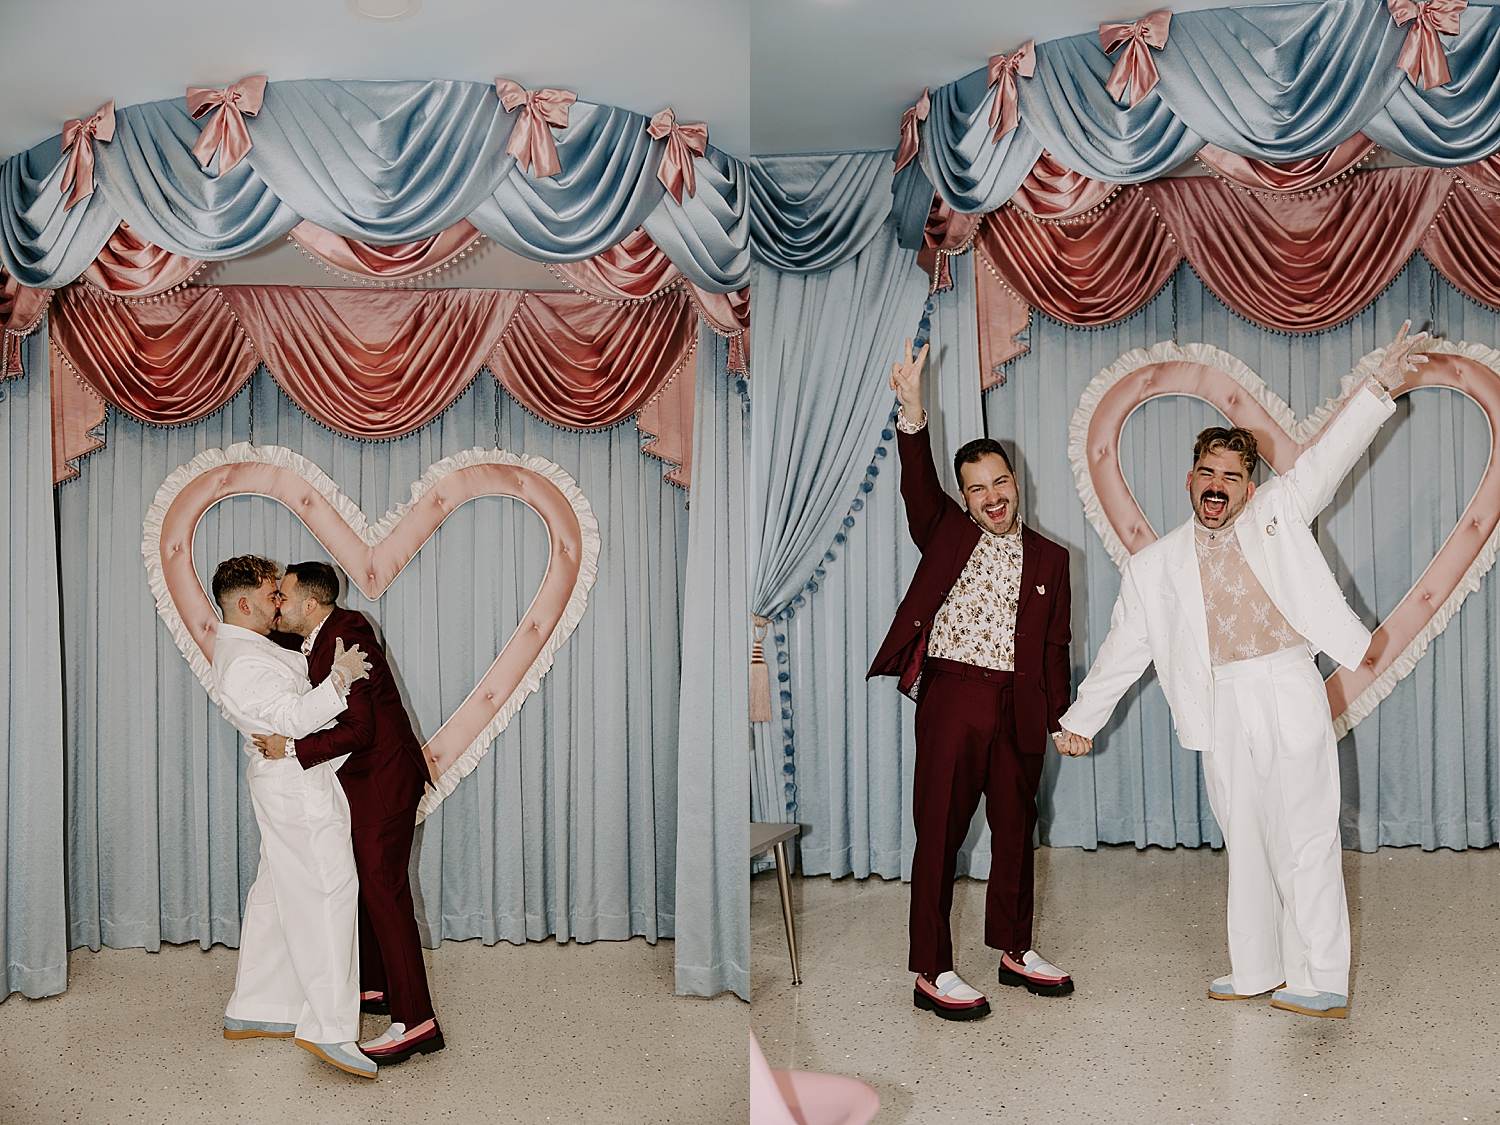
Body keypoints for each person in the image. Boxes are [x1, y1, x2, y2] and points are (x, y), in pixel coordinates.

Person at [1056, 323, 1430, 1020]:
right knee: (1245, 834)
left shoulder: (1280, 514)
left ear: (1250, 487)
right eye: (1208, 473)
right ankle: (1257, 966)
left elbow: (1327, 461)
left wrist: (1377, 386)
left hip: (1288, 686)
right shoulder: (1154, 566)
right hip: (1220, 701)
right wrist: (1081, 720)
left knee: (1307, 831)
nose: (1219, 484)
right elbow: (1123, 650)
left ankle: (1322, 974)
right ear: (1190, 479)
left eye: (1233, 474)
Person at [868, 339, 1077, 1021]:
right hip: (954, 695)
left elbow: (1054, 645)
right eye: (977, 487)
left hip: (1018, 702)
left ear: (1017, 480)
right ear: (965, 496)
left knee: (1019, 829)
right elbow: (916, 484)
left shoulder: (1052, 556)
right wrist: (911, 410)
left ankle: (1015, 949)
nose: (992, 496)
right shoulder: (947, 532)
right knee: (941, 833)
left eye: (1000, 481)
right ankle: (931, 968)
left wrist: (1061, 717)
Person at [254, 561, 443, 1065]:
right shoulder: (318, 637)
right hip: (368, 783)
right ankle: (376, 989)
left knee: (385, 894)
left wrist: (290, 748)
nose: (278, 606)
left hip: (382, 783)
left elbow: (360, 731)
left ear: (310, 604)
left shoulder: (347, 631)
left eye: (283, 597)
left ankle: (416, 1020)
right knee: (364, 885)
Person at [208, 554, 377, 1078]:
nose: (278, 602)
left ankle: (256, 1006)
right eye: (269, 595)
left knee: (276, 893)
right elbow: (292, 719)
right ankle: (332, 1031)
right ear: (243, 603)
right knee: (329, 894)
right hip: (295, 790)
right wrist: (339, 681)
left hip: (288, 784)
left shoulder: (252, 648)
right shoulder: (242, 661)